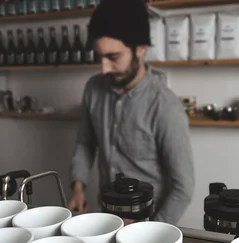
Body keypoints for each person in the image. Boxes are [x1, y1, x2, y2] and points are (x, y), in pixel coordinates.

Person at [68, 0, 195, 225]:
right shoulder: (93, 89)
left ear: (140, 49)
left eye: (113, 57)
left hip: (148, 223)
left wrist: (150, 232)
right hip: (105, 217)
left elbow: (182, 188)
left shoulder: (165, 106)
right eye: (100, 57)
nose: (103, 68)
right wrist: (78, 186)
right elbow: (85, 143)